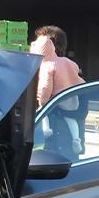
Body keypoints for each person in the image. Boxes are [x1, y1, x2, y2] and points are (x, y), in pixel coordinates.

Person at [30, 25, 84, 158]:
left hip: (58, 149)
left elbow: (44, 94)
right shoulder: (71, 68)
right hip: (66, 147)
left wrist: (47, 105)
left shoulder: (47, 68)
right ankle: (76, 140)